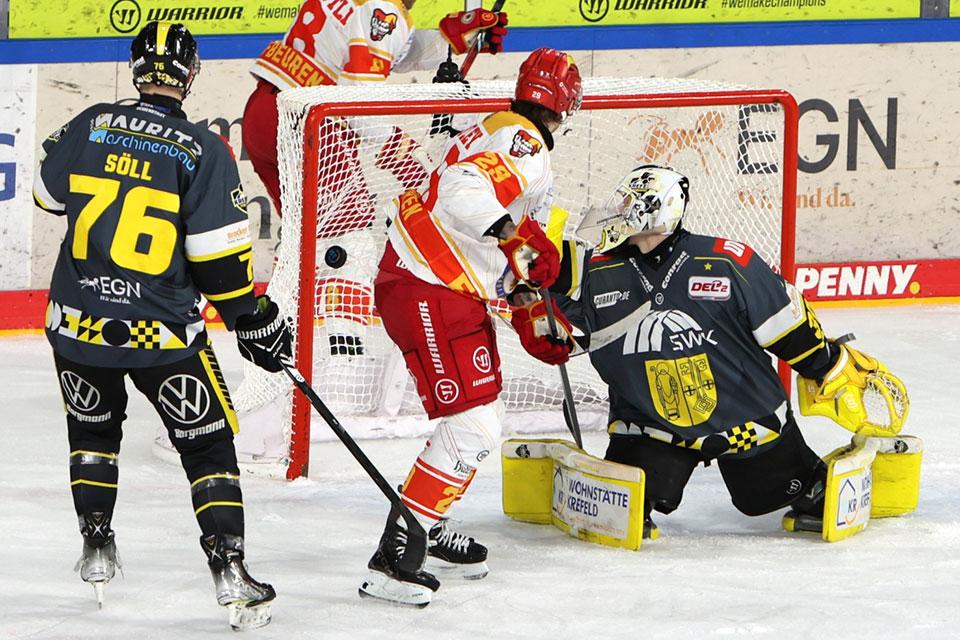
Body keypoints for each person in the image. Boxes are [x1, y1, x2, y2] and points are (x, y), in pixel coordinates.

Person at [33, 21, 292, 631]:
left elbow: (47, 195)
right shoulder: (203, 147)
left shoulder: (92, 119)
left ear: (136, 66)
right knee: (207, 447)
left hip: (77, 327)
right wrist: (247, 319)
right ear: (191, 75)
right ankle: (229, 570)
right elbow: (217, 261)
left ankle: (97, 546)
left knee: (92, 434)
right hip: (163, 337)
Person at [545, 164, 906, 539]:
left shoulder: (727, 260)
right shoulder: (592, 271)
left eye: (629, 204)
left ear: (655, 211)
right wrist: (533, 283)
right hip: (651, 422)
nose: (618, 211)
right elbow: (534, 285)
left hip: (746, 419)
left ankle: (810, 481)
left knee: (776, 495)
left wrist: (827, 366)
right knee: (629, 502)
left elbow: (787, 323)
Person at [357, 48, 583, 607]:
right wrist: (513, 236)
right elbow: (461, 190)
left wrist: (532, 309)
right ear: (568, 103)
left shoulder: (503, 129)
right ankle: (393, 560)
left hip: (441, 288)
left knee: (483, 418)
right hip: (427, 286)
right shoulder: (524, 145)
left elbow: (510, 253)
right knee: (474, 427)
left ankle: (425, 531)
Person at [243, 0, 509, 222]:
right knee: (348, 239)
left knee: (306, 238)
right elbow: (356, 105)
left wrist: (451, 38)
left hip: (263, 113)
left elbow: (384, 50)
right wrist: (409, 161)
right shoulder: (386, 10)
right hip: (308, 128)